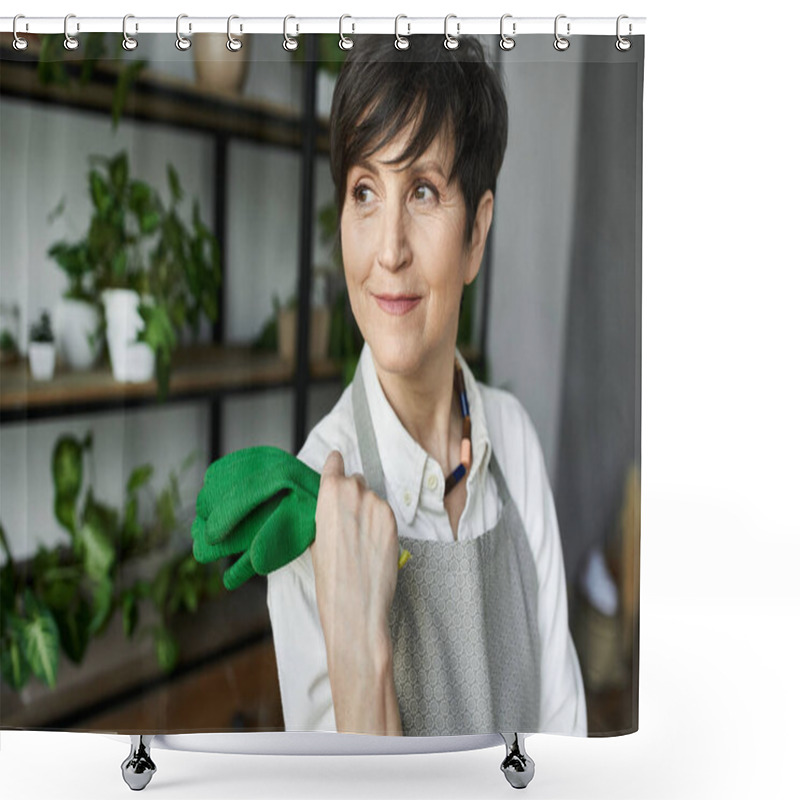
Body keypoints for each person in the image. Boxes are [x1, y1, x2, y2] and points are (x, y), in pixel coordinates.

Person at [267, 34, 587, 738]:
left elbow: (564, 739)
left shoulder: (515, 445)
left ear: (476, 233)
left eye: (422, 190)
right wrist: (360, 648)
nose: (389, 249)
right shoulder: (312, 502)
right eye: (363, 192)